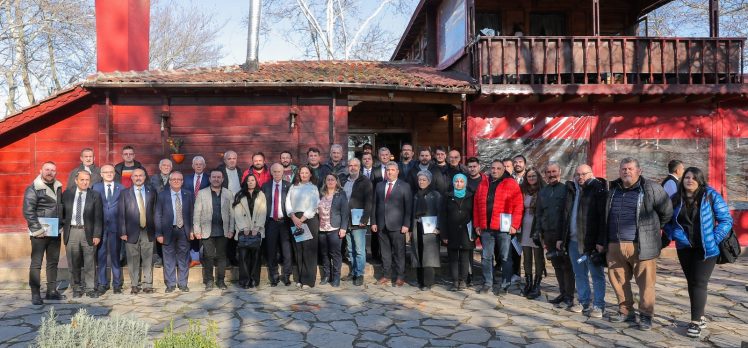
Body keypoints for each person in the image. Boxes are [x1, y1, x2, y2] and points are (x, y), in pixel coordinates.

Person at [603, 157, 672, 330]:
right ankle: (626, 311)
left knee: (646, 282)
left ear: (639, 171)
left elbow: (667, 213)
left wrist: (653, 229)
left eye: (630, 168)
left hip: (642, 245)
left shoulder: (651, 188)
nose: (626, 171)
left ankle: (646, 315)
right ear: (619, 172)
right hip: (614, 244)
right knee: (618, 281)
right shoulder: (612, 190)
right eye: (623, 169)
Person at [663, 167, 732, 338]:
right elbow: (667, 221)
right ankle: (699, 316)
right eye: (686, 177)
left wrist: (713, 239)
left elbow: (726, 220)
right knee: (691, 282)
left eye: (694, 178)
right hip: (685, 248)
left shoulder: (710, 195)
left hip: (707, 249)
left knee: (700, 282)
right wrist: (675, 234)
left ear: (700, 180)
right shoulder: (675, 198)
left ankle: (695, 322)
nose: (689, 180)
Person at [563, 164, 608, 317]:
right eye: (577, 174)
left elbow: (604, 218)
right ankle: (583, 301)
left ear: (591, 174)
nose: (580, 177)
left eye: (584, 174)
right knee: (579, 273)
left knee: (596, 275)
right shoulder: (571, 190)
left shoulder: (599, 190)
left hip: (591, 242)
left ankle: (599, 305)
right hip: (574, 241)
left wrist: (601, 241)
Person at [474, 159, 523, 295]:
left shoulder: (511, 183)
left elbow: (518, 205)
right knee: (486, 257)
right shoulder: (483, 183)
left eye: (498, 168)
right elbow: (476, 205)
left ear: (504, 170)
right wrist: (477, 224)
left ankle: (505, 285)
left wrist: (514, 225)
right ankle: (487, 283)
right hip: (486, 228)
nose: (495, 171)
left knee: (505, 257)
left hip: (504, 229)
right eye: (493, 168)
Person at [533, 162, 575, 308]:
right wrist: (537, 232)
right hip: (548, 234)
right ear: (545, 174)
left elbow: (568, 215)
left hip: (562, 235)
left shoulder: (566, 190)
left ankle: (569, 296)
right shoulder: (543, 192)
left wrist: (563, 237)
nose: (551, 174)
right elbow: (539, 213)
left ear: (560, 172)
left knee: (567, 266)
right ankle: (562, 293)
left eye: (554, 171)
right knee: (556, 265)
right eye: (548, 172)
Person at [24, 161, 65, 305]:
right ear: (41, 170)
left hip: (55, 231)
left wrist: (62, 224)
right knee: (36, 263)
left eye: (53, 170)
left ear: (56, 172)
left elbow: (60, 207)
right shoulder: (33, 188)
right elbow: (28, 211)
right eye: (47, 169)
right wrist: (37, 230)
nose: (50, 172)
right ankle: (35, 294)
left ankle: (51, 291)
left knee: (53, 263)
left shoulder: (58, 186)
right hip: (39, 233)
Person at [62, 170, 103, 299]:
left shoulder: (95, 195)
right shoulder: (67, 194)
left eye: (87, 180)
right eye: (82, 180)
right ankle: (76, 287)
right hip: (72, 231)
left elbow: (98, 217)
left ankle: (90, 288)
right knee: (73, 262)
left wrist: (97, 234)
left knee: (90, 261)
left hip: (88, 232)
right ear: (76, 180)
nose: (85, 182)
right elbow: (61, 213)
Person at [371, 162, 412, 287]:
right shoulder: (379, 185)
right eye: (388, 170)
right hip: (382, 225)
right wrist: (373, 221)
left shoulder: (405, 186)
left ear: (397, 171)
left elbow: (408, 207)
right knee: (385, 252)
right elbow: (374, 205)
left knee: (399, 252)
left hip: (398, 226)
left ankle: (400, 276)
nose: (390, 172)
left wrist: (406, 224)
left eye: (393, 170)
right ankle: (386, 275)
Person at [193, 170, 235, 291]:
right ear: (210, 179)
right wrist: (197, 230)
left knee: (222, 256)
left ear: (222, 179)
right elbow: (197, 213)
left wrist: (231, 229)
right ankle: (209, 280)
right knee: (208, 256)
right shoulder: (202, 193)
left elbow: (232, 214)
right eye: (214, 177)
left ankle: (221, 281)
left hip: (223, 231)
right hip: (207, 231)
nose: (216, 179)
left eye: (219, 177)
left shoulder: (228, 193)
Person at [118, 168, 156, 294]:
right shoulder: (125, 193)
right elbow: (121, 214)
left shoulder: (152, 191)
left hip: (148, 230)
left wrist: (157, 230)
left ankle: (148, 284)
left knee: (148, 258)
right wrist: (123, 231)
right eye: (136, 176)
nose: (138, 178)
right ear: (132, 178)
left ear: (145, 177)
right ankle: (135, 284)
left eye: (141, 175)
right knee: (133, 259)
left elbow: (156, 212)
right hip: (131, 231)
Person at [155, 171, 194, 293]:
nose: (176, 181)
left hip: (184, 230)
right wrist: (159, 233)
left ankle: (183, 284)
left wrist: (192, 230)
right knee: (168, 258)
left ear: (182, 181)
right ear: (170, 181)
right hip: (167, 230)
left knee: (183, 258)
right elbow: (157, 215)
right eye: (174, 179)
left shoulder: (189, 194)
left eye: (179, 179)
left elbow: (193, 214)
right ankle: (170, 284)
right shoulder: (162, 195)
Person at [92, 164, 125, 294]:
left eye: (111, 172)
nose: (109, 174)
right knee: (101, 256)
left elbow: (124, 209)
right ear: (101, 174)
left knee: (116, 256)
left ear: (114, 173)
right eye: (106, 172)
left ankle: (117, 284)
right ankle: (102, 283)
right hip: (100, 228)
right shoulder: (95, 187)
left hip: (116, 227)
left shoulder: (121, 188)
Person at [285, 165, 320, 289]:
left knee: (308, 250)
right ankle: (300, 278)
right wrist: (293, 217)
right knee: (298, 250)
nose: (304, 175)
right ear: (298, 174)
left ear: (310, 174)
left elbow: (314, 205)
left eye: (306, 173)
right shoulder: (293, 187)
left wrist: (302, 219)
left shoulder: (313, 188)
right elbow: (287, 203)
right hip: (295, 219)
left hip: (308, 220)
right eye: (302, 173)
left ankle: (308, 280)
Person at [340, 158, 373, 286]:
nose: (352, 167)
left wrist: (364, 219)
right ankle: (353, 272)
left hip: (359, 220)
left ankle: (359, 274)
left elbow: (369, 202)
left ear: (359, 167)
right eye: (350, 165)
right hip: (346, 220)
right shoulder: (344, 181)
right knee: (351, 249)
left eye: (355, 165)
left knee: (359, 249)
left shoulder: (365, 181)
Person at [232, 174, 267, 289]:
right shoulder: (239, 195)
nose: (251, 182)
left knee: (256, 257)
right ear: (245, 182)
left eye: (253, 180)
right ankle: (245, 280)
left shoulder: (261, 194)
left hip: (257, 231)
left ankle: (254, 280)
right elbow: (236, 212)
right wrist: (244, 227)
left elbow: (263, 211)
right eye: (248, 180)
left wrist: (257, 227)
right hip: (243, 231)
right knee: (243, 257)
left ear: (256, 181)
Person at [410, 170, 444, 291]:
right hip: (417, 227)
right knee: (418, 253)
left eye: (424, 180)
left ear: (429, 181)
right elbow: (412, 212)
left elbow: (440, 212)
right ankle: (420, 280)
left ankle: (428, 282)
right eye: (419, 180)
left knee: (429, 255)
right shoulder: (415, 195)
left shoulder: (435, 195)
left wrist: (439, 227)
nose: (421, 182)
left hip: (431, 229)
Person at [262, 163, 293, 287]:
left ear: (283, 173)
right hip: (270, 222)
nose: (276, 174)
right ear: (271, 172)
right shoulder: (265, 186)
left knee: (287, 250)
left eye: (279, 171)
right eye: (274, 171)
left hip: (285, 222)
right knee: (271, 250)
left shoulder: (289, 186)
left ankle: (286, 276)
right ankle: (274, 276)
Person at [443, 174, 474, 291]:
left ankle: (463, 280)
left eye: (461, 181)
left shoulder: (471, 196)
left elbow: (474, 215)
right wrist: (444, 234)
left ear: (465, 183)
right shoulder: (447, 196)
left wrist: (474, 233)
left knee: (465, 258)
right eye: (457, 181)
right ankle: (455, 281)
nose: (459, 183)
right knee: (453, 258)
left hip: (466, 232)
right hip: (452, 232)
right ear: (453, 183)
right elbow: (443, 215)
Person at [318, 173, 349, 287]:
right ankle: (327, 275)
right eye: (328, 179)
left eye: (332, 179)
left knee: (335, 254)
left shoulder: (341, 194)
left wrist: (343, 228)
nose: (330, 181)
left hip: (335, 228)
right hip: (321, 228)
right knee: (324, 254)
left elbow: (345, 212)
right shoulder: (321, 194)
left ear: (336, 182)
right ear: (325, 182)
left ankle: (336, 277)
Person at [519, 168, 544, 299]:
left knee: (538, 256)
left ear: (538, 176)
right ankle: (528, 282)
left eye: (534, 175)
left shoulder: (543, 190)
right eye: (529, 176)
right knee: (527, 256)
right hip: (525, 226)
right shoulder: (523, 190)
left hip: (537, 226)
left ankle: (537, 284)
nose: (531, 178)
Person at [184, 155, 210, 266]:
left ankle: (205, 257)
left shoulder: (209, 178)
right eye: (196, 164)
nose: (198, 166)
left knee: (204, 233)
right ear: (192, 166)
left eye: (201, 164)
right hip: (190, 210)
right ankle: (194, 258)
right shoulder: (187, 178)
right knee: (192, 233)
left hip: (205, 210)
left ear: (204, 166)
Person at [149, 158, 173, 268]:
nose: (166, 167)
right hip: (156, 211)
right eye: (164, 165)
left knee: (171, 235)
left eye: (168, 166)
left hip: (170, 211)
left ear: (171, 168)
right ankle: (159, 258)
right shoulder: (153, 179)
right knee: (158, 234)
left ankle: (170, 258)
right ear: (160, 167)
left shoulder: (175, 178)